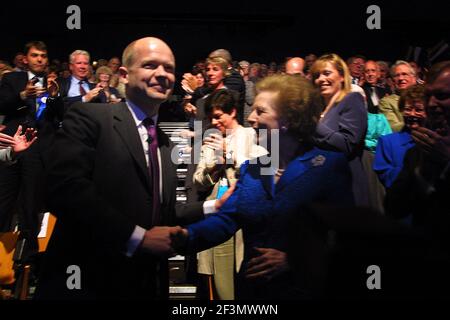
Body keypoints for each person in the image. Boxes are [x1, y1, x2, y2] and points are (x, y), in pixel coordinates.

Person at [173, 74, 354, 299]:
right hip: (252, 293)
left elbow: (348, 239)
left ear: (289, 118)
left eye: (261, 111)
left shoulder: (328, 166)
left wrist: (296, 260)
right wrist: (181, 237)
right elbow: (227, 220)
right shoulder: (253, 168)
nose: (250, 118)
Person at [35, 37, 184, 300]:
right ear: (124, 75)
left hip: (144, 285)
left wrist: (215, 208)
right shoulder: (89, 117)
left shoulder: (165, 140)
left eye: (169, 68)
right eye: (150, 65)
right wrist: (137, 238)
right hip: (87, 284)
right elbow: (65, 190)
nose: (162, 74)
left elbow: (164, 210)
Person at [193, 89, 266, 300]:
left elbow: (261, 174)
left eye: (218, 116)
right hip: (218, 213)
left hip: (244, 219)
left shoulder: (252, 136)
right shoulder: (210, 139)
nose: (214, 122)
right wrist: (215, 166)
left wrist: (231, 156)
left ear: (232, 112)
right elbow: (198, 181)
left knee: (242, 282)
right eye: (211, 118)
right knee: (217, 284)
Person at [0, 41, 61, 254]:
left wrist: (54, 97)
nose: (40, 59)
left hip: (38, 149)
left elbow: (60, 117)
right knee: (3, 202)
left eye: (43, 56)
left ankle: (28, 262)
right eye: (35, 55)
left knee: (31, 206)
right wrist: (23, 95)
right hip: (12, 146)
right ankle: (2, 260)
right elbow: (2, 104)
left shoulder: (53, 82)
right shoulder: (11, 79)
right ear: (26, 59)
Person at [310, 53, 369, 207]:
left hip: (345, 184)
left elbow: (347, 144)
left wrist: (312, 124)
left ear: (342, 76)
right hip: (319, 184)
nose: (321, 79)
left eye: (327, 73)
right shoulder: (317, 108)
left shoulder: (352, 99)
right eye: (317, 75)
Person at [374, 85, 426, 188]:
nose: (412, 114)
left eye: (418, 110)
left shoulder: (437, 141)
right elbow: (387, 178)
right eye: (407, 109)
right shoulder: (387, 142)